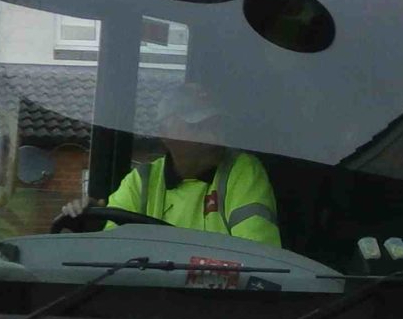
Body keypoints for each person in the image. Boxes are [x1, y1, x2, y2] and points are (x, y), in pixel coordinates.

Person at [57, 82, 281, 247]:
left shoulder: (242, 171)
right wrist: (90, 224)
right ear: (164, 133)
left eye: (216, 125)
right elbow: (111, 251)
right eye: (199, 126)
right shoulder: (141, 180)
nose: (214, 137)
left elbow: (259, 259)